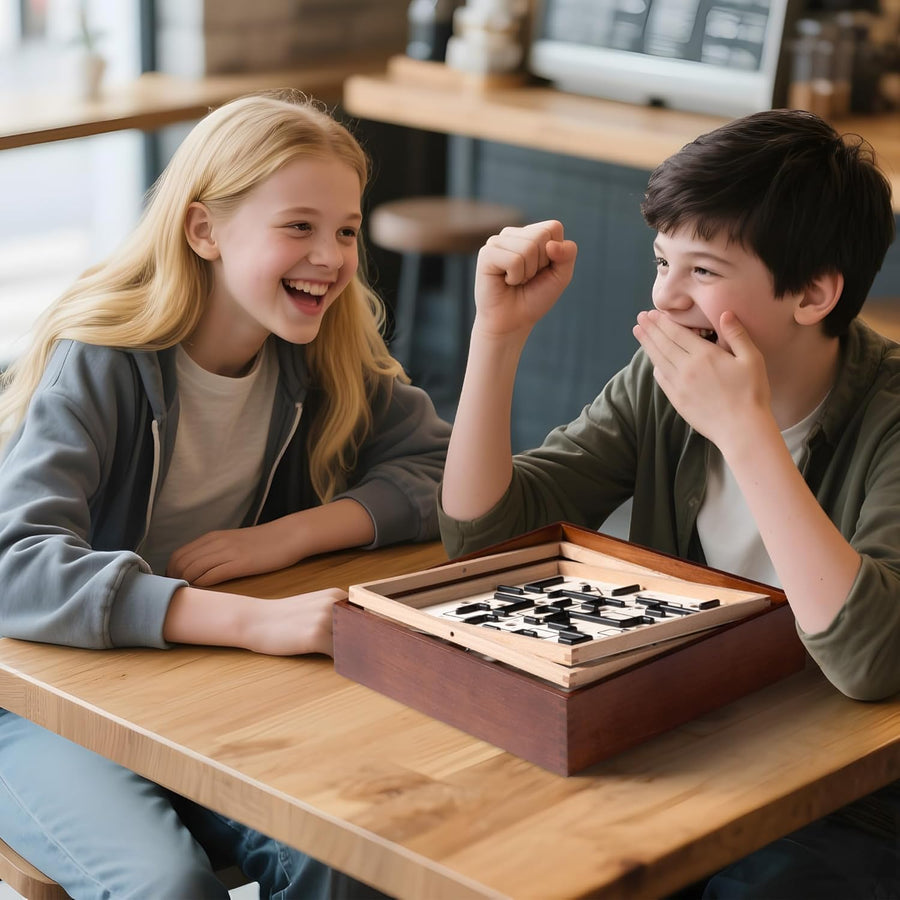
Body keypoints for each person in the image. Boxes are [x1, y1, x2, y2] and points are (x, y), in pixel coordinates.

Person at [439, 108, 900, 898]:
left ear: (815, 292)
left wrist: (746, 433)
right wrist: (497, 337)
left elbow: (868, 660)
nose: (667, 297)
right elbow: (486, 541)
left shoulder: (888, 414)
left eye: (705, 272)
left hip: (847, 806)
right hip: (688, 754)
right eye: (662, 261)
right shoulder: (660, 383)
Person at [0, 91, 450, 898]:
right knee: (169, 885)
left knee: (343, 855)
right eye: (299, 226)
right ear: (204, 229)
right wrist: (253, 619)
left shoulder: (325, 352)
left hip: (198, 688)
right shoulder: (102, 357)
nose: (332, 255)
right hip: (45, 702)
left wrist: (287, 538)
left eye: (346, 230)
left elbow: (448, 478)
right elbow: (16, 566)